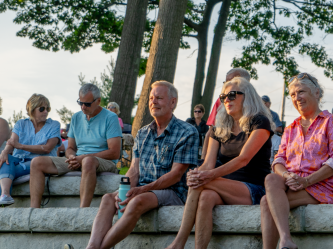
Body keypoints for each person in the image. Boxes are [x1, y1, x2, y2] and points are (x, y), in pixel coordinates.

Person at [76, 81, 199, 249]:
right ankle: (92, 246)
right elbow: (133, 170)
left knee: (137, 201)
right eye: (151, 98)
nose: (153, 101)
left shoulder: (187, 132)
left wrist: (142, 189)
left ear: (173, 102)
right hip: (144, 188)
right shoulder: (143, 132)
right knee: (108, 198)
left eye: (159, 98)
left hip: (173, 191)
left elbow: (176, 175)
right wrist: (123, 191)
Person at [166, 77, 275, 249]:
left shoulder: (260, 122)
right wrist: (196, 173)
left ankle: (178, 242)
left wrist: (207, 176)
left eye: (232, 95)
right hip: (224, 185)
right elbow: (208, 165)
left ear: (247, 96)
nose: (227, 100)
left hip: (254, 188)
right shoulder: (219, 127)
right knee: (206, 197)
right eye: (223, 97)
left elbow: (243, 159)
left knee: (201, 182)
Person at [260, 73, 333, 249]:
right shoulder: (291, 128)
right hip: (292, 182)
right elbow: (278, 160)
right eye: (292, 94)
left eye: (301, 92)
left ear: (317, 93)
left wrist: (306, 181)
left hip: (323, 187)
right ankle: (286, 241)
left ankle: (284, 242)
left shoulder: (331, 122)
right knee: (271, 178)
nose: (296, 98)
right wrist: (287, 175)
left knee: (266, 202)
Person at [29, 84, 122, 208]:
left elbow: (114, 152)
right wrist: (72, 157)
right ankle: (33, 212)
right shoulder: (76, 117)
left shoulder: (111, 117)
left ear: (98, 101)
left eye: (87, 104)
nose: (83, 107)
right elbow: (70, 148)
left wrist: (83, 158)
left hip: (104, 161)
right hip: (79, 160)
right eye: (81, 103)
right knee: (36, 162)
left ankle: (82, 212)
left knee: (88, 161)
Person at [0, 94, 61, 205]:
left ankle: (3, 202)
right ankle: (5, 195)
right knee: (6, 159)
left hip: (40, 162)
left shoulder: (54, 125)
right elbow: (12, 143)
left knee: (6, 169)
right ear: (32, 110)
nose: (46, 112)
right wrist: (4, 152)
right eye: (42, 109)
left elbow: (47, 148)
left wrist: (22, 146)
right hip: (19, 159)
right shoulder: (21, 123)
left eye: (48, 108)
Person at [201, 68, 251, 158]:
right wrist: (203, 159)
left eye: (231, 81)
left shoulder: (258, 115)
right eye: (226, 82)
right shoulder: (221, 102)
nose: (227, 85)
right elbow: (211, 131)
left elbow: (243, 159)